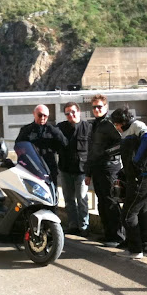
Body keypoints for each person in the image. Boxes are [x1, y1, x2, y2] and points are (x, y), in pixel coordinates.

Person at [110, 106, 147, 259]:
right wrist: (126, 171)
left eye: (116, 124)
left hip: (143, 177)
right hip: (146, 176)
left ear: (121, 122)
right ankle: (145, 247)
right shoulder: (129, 131)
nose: (116, 128)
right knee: (143, 212)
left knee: (128, 215)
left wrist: (137, 163)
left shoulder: (136, 126)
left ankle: (135, 249)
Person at [84, 94, 125, 247]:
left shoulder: (109, 124)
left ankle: (118, 236)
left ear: (106, 107)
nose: (96, 109)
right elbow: (92, 151)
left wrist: (107, 153)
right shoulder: (95, 125)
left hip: (109, 168)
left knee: (111, 201)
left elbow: (121, 143)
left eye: (99, 106)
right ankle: (108, 234)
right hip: (97, 168)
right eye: (94, 107)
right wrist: (88, 173)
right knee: (102, 202)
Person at [57, 101, 92, 237]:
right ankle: (73, 225)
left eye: (73, 112)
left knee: (82, 199)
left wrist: (90, 172)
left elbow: (92, 150)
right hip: (65, 169)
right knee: (68, 200)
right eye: (67, 113)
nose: (70, 115)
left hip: (81, 171)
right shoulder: (60, 128)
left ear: (79, 112)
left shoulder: (88, 127)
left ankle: (84, 227)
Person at [15, 104, 67, 188]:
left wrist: (55, 131)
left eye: (45, 116)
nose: (42, 118)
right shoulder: (26, 130)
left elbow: (64, 143)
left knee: (52, 192)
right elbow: (18, 146)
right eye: (40, 115)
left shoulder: (53, 130)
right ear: (34, 114)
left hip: (49, 168)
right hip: (32, 167)